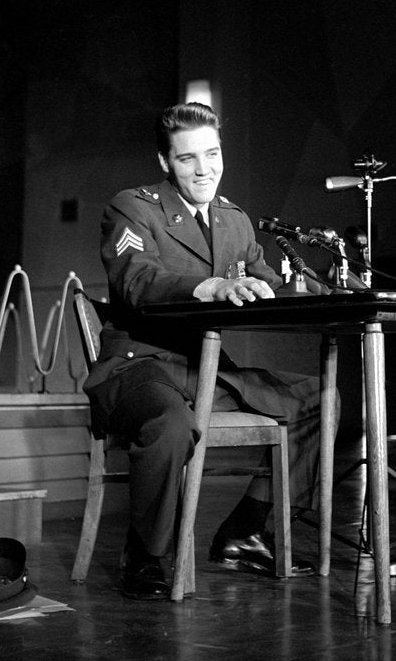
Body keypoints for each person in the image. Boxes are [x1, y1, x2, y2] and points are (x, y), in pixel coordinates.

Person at [83, 101, 332, 598]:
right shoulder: (133, 207)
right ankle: (146, 553)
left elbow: (270, 284)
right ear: (164, 162)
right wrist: (209, 286)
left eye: (213, 154)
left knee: (318, 400)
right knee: (171, 423)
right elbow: (137, 279)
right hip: (137, 365)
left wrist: (316, 288)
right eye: (188, 158)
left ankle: (245, 531)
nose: (204, 169)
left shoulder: (234, 221)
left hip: (203, 371)